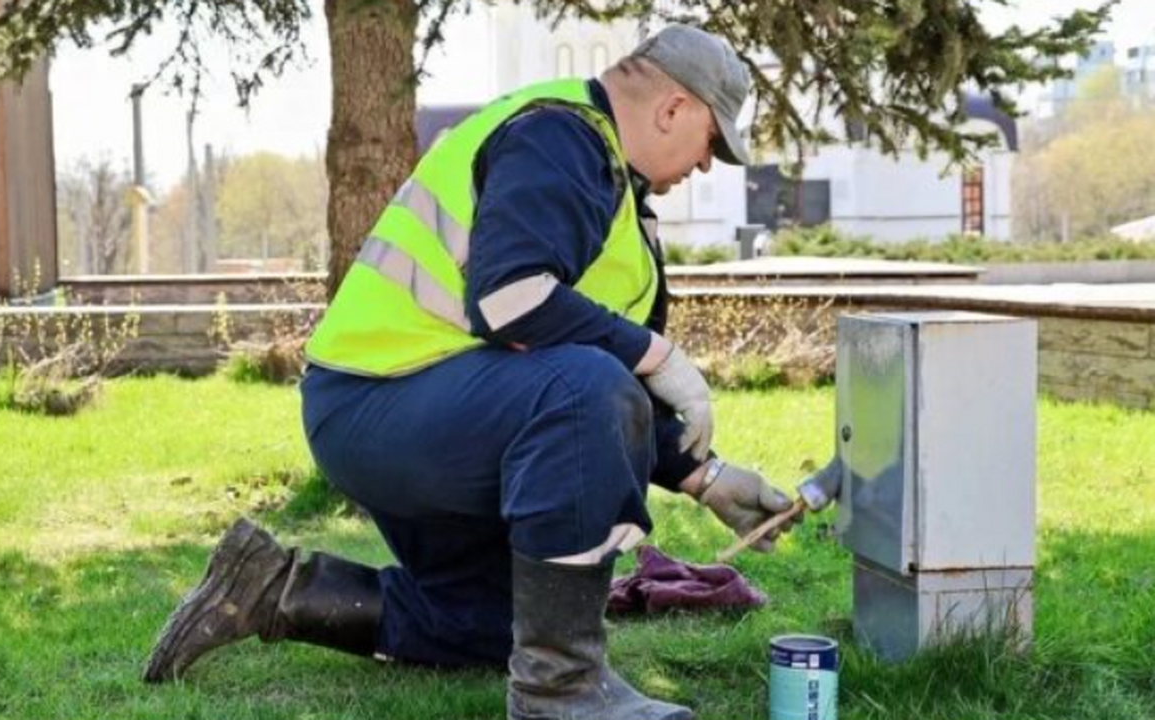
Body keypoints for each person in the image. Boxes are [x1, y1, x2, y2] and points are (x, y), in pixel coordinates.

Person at [144, 24, 798, 720]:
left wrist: (707, 478)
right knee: (586, 387)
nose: (706, 166)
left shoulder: (605, 179)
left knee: (495, 628)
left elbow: (586, 373)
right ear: (673, 109)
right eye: (711, 142)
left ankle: (272, 589)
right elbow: (513, 304)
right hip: (380, 401)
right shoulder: (562, 139)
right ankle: (561, 693)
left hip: (426, 411)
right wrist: (658, 356)